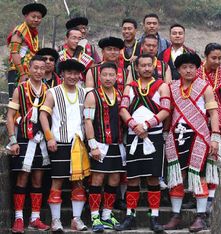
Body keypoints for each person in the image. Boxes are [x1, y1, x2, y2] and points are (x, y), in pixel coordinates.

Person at [163, 53, 221, 232]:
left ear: (197, 69)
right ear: (178, 70)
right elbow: (168, 112)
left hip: (199, 137)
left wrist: (215, 136)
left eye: (192, 67)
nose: (188, 70)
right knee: (177, 178)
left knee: (199, 176)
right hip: (176, 137)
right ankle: (175, 215)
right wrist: (165, 133)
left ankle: (200, 216)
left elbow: (213, 113)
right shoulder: (171, 87)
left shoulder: (205, 87)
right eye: (184, 67)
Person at [116, 54, 171, 232]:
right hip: (133, 136)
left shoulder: (162, 86)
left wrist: (147, 125)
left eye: (149, 65)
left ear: (154, 66)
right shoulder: (129, 87)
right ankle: (130, 217)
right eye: (143, 66)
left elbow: (165, 110)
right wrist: (133, 125)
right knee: (132, 178)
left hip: (153, 136)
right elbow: (123, 109)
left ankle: (153, 217)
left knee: (153, 177)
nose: (147, 68)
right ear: (137, 68)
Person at [39, 59, 90, 232]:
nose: (73, 76)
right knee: (57, 181)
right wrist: (49, 137)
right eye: (69, 73)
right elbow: (43, 116)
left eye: (76, 73)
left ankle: (76, 219)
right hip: (59, 142)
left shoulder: (84, 93)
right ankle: (55, 220)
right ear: (62, 74)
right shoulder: (53, 92)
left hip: (79, 144)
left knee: (78, 182)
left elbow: (88, 119)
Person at [6, 55, 50, 233]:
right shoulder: (20, 89)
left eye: (42, 68)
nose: (39, 71)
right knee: (22, 177)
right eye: (36, 68)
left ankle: (35, 218)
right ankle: (18, 218)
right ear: (29, 69)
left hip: (41, 140)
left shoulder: (49, 90)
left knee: (38, 179)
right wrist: (13, 140)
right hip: (24, 138)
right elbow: (10, 116)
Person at [84, 62, 126, 232]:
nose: (108, 78)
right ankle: (95, 216)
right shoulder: (92, 95)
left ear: (116, 77)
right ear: (99, 77)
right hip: (100, 144)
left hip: (117, 144)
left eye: (111, 75)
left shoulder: (121, 94)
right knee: (97, 179)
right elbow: (87, 120)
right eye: (105, 75)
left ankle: (107, 215)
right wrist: (92, 145)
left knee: (115, 179)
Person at [197, 43, 221, 211]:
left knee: (212, 158)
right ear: (205, 56)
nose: (217, 61)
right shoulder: (195, 72)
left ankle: (210, 197)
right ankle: (198, 195)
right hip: (196, 119)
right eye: (213, 58)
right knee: (198, 159)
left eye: (220, 58)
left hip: (216, 121)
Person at [7, 2, 47, 100]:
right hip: (18, 72)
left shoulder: (34, 33)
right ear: (26, 16)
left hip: (31, 72)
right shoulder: (19, 31)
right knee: (17, 102)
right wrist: (22, 74)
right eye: (33, 17)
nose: (36, 20)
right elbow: (14, 53)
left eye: (39, 17)